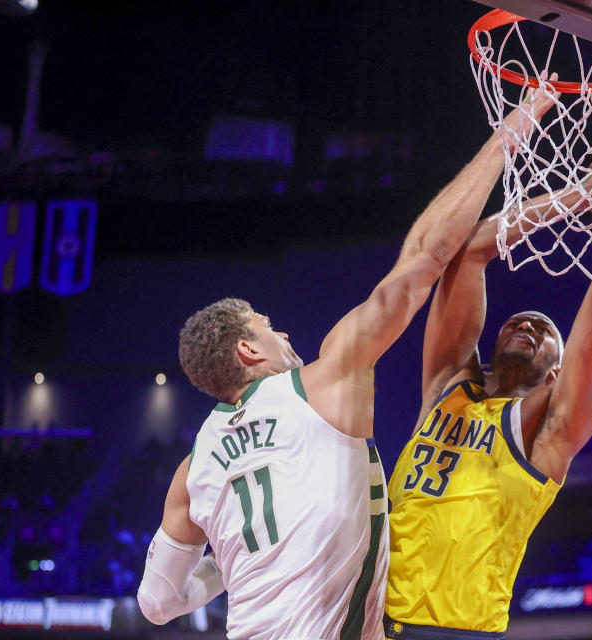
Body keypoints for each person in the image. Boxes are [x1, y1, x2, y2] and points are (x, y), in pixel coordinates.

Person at [135, 85, 560, 640]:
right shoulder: (323, 382)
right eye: (267, 325)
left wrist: (229, 567)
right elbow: (428, 256)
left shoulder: (193, 471)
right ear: (248, 350)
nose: (283, 331)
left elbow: (156, 603)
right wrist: (515, 128)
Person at [384, 153, 592, 639]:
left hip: (452, 629)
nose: (527, 323)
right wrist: (580, 197)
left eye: (544, 328)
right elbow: (471, 249)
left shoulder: (549, 428)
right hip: (369, 618)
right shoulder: (448, 384)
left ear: (557, 372)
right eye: (518, 320)